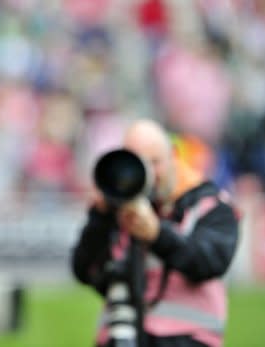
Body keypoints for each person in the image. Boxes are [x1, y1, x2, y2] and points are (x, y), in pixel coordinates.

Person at [71, 118, 239, 347]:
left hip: (187, 339)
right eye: (138, 163)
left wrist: (157, 235)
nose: (148, 173)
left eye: (155, 162)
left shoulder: (209, 205)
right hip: (121, 335)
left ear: (174, 155)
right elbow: (83, 270)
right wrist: (100, 218)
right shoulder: (117, 208)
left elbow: (209, 261)